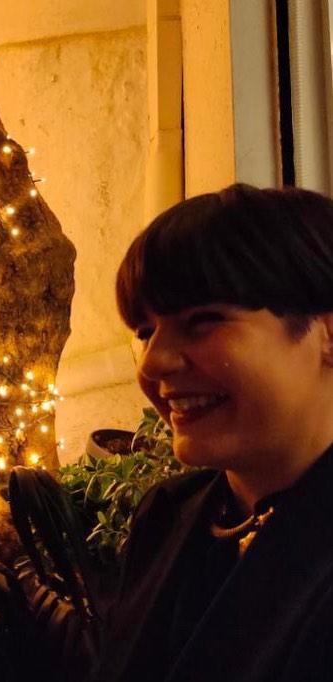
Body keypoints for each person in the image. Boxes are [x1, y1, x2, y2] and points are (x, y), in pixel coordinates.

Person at [101, 183, 333, 681]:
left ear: (327, 333)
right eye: (145, 332)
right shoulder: (167, 515)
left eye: (203, 319)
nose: (153, 363)